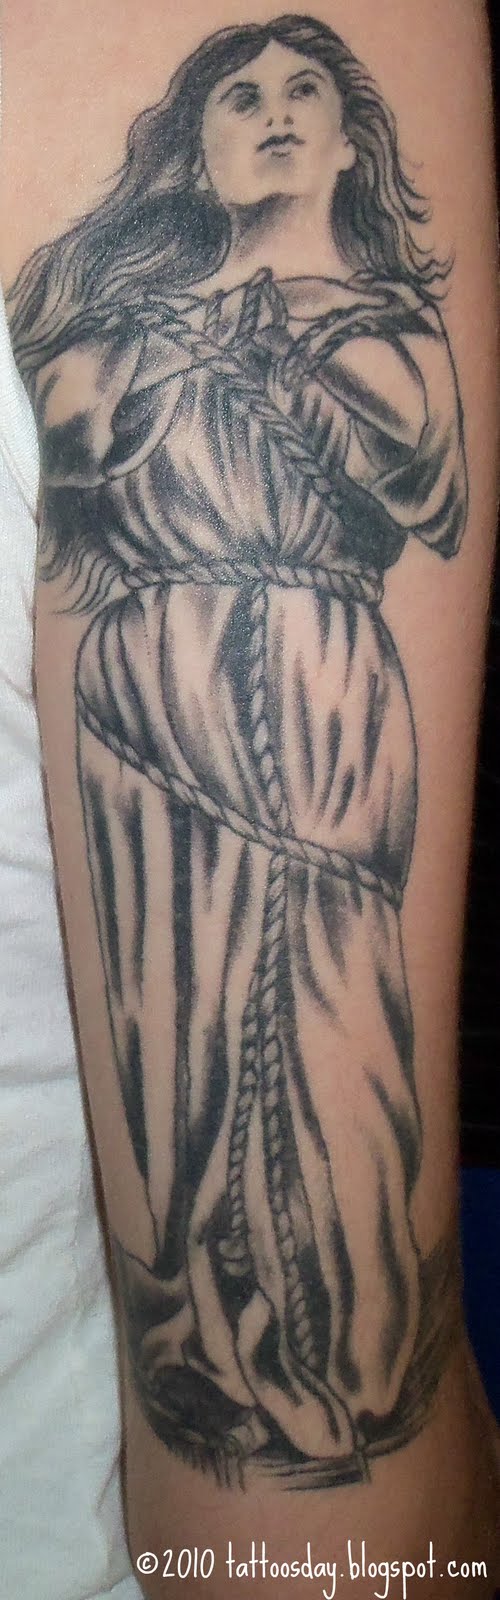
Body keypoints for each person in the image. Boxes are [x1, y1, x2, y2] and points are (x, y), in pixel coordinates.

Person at [2, 1, 499, 1591]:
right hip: (147, 693)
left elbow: (427, 480)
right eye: (237, 95)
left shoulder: (379, 316)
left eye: (302, 88)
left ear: (352, 142)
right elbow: (90, 475)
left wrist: (297, 358)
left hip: (305, 676)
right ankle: (220, 1345)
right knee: (185, 1025)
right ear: (192, 149)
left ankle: (327, 1364)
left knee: (326, 1015)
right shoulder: (121, 313)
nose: (273, 108)